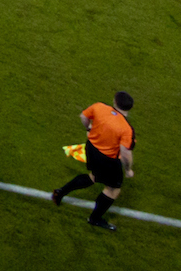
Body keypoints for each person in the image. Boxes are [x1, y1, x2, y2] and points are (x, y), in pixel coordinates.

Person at [50, 92, 136, 231]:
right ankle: (94, 218)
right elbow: (125, 153)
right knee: (113, 189)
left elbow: (83, 117)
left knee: (94, 176)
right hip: (107, 159)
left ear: (114, 102)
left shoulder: (99, 107)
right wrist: (128, 170)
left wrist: (88, 128)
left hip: (91, 149)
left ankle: (60, 192)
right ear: (129, 108)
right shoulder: (127, 129)